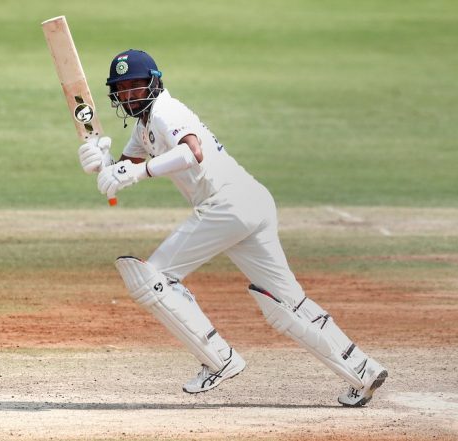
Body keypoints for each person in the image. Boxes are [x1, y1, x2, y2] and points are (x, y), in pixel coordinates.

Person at [76, 49, 388, 406]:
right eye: (123, 88)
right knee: (287, 304)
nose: (130, 94)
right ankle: (362, 371)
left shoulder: (165, 110)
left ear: (154, 82)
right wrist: (102, 164)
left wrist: (138, 172)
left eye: (135, 85)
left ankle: (219, 360)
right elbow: (123, 167)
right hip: (249, 202)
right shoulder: (145, 126)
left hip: (226, 205)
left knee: (152, 278)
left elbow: (191, 152)